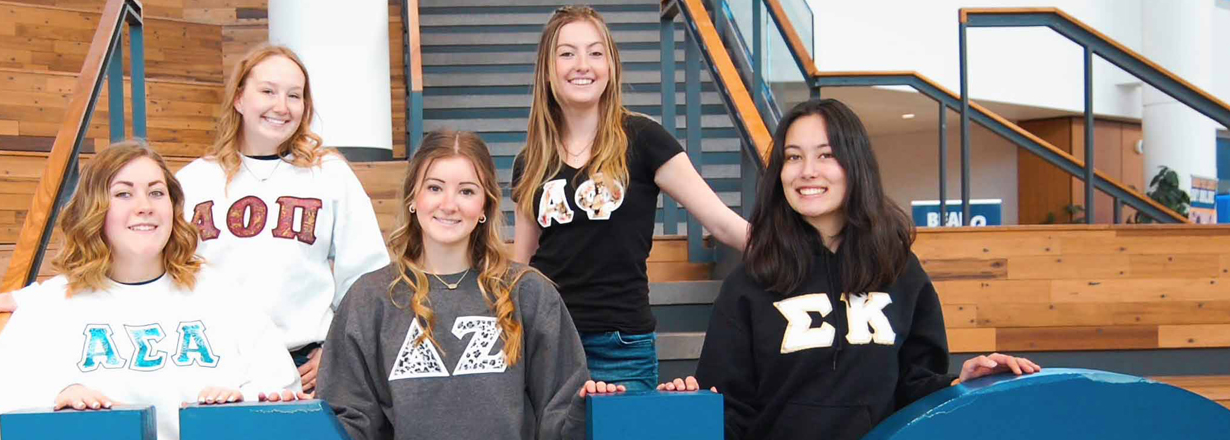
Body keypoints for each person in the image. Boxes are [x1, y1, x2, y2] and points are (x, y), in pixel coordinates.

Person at [0, 45, 390, 394]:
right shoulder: (195, 180)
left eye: (294, 95)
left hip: (307, 366)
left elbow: (365, 276)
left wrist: (338, 350)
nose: (281, 106)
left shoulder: (330, 175)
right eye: (267, 91)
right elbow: (131, 259)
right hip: (216, 362)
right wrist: (36, 298)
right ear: (239, 98)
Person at [661, 99, 1041, 440]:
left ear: (854, 165)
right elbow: (728, 410)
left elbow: (915, 388)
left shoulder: (900, 270)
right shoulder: (749, 282)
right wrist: (684, 409)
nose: (807, 171)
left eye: (825, 155)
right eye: (793, 157)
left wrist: (960, 382)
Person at [0, 140, 304, 440]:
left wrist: (242, 401)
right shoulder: (49, 306)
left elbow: (281, 388)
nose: (145, 206)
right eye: (124, 194)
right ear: (94, 208)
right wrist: (59, 400)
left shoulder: (221, 295)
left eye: (156, 193)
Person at [318, 130, 621, 440]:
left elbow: (560, 414)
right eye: (434, 187)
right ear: (413, 198)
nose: (449, 204)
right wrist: (297, 417)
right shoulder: (370, 299)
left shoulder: (529, 293)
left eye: (466, 191)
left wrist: (588, 409)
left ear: (485, 206)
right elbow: (348, 421)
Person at [510, 5, 753, 391]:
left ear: (610, 65)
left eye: (595, 52)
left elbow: (723, 223)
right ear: (548, 68)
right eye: (567, 53)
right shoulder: (531, 160)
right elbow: (522, 265)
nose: (582, 64)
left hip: (621, 347)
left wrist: (802, 252)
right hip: (548, 341)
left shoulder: (643, 139)